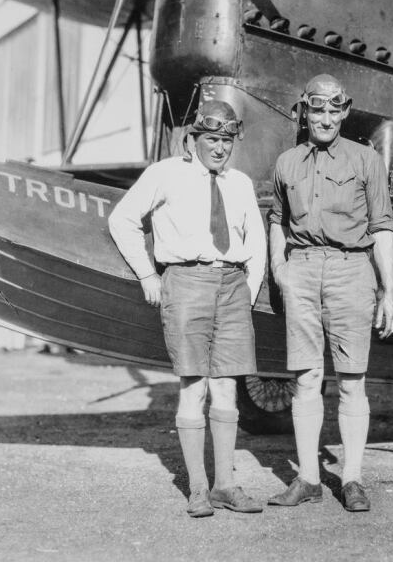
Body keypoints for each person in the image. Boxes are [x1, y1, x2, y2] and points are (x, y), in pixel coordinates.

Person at [108, 100, 267, 518]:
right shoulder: (165, 173)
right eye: (212, 139)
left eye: (227, 140)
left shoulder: (240, 183)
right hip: (186, 281)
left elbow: (257, 243)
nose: (219, 148)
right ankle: (198, 488)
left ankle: (226, 486)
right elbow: (122, 219)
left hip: (232, 285)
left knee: (227, 386)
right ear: (193, 138)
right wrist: (147, 274)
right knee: (194, 387)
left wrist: (246, 292)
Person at [267, 74, 393, 512]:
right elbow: (276, 220)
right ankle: (308, 479)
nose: (324, 118)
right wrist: (279, 268)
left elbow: (382, 229)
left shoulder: (366, 160)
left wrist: (389, 292)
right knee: (305, 379)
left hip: (351, 272)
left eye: (333, 110)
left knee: (352, 380)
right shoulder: (287, 162)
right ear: (304, 110)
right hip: (301, 272)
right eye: (316, 109)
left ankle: (354, 479)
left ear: (345, 111)